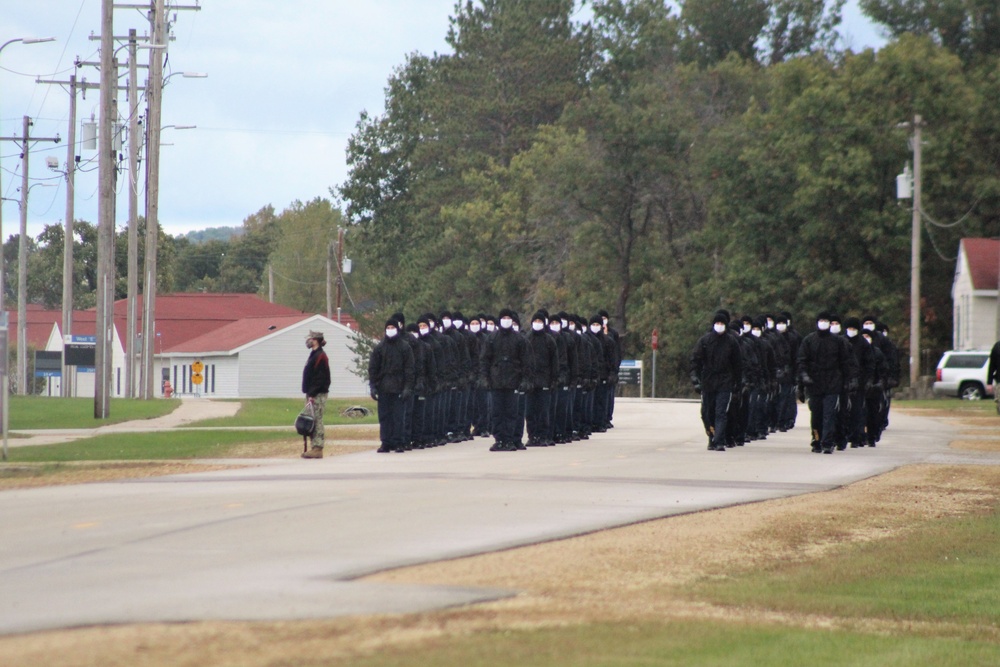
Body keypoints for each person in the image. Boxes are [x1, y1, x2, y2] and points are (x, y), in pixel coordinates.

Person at [797, 312, 858, 454]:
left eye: (826, 320)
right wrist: (803, 378)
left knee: (829, 414)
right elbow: (801, 361)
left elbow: (847, 362)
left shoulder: (838, 342)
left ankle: (827, 442)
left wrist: (850, 380)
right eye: (821, 320)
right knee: (816, 414)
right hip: (814, 383)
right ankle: (816, 439)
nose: (823, 323)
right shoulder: (809, 340)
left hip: (833, 382)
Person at [690, 312, 743, 452]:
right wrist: (695, 379)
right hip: (708, 382)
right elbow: (695, 361)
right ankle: (711, 437)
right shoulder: (705, 341)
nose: (719, 326)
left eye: (722, 324)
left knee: (721, 412)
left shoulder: (732, 342)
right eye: (717, 323)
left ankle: (719, 440)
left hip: (725, 382)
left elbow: (738, 364)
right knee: (707, 412)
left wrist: (738, 383)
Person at [481, 308, 530, 451]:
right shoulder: (491, 338)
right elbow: (485, 360)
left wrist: (525, 380)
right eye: (504, 318)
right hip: (496, 381)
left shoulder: (519, 339)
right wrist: (485, 378)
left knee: (511, 412)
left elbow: (526, 362)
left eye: (509, 318)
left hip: (513, 381)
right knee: (496, 412)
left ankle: (509, 439)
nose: (506, 320)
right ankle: (499, 439)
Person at [369, 319, 415, 453]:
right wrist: (373, 385)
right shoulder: (379, 347)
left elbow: (410, 370)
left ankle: (399, 442)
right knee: (384, 416)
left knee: (398, 416)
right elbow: (373, 368)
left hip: (399, 387)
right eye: (388, 327)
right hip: (383, 387)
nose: (390, 329)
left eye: (392, 327)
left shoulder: (405, 347)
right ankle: (386, 442)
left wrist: (408, 387)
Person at [301, 330, 331, 459]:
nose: (309, 341)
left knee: (317, 419)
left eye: (311, 339)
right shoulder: (313, 354)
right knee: (311, 419)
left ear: (316, 340)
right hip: (311, 393)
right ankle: (313, 447)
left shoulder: (321, 356)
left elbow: (321, 378)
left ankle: (318, 447)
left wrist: (313, 393)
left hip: (317, 394)